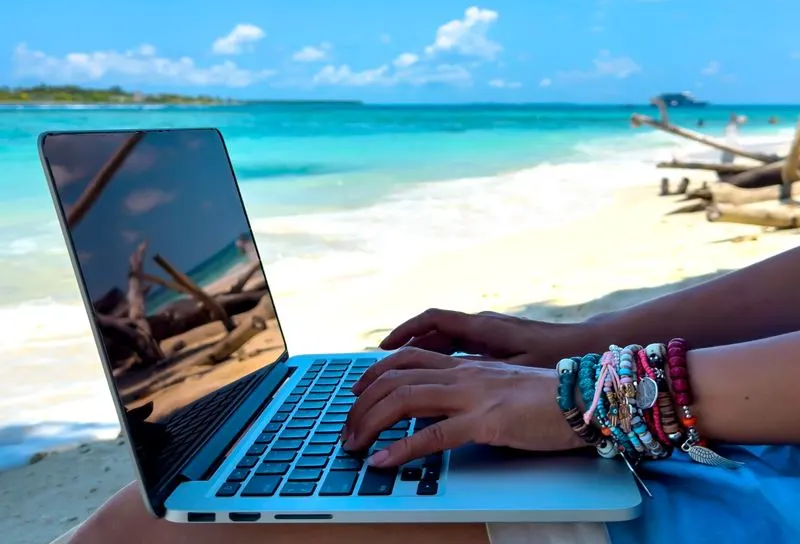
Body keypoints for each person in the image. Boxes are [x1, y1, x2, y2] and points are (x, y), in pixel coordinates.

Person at [68, 245, 800, 544]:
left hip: (754, 485)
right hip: (747, 418)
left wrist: (599, 396)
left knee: (163, 527)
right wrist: (582, 344)